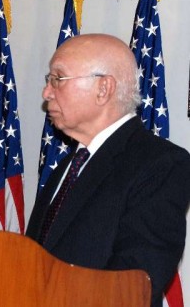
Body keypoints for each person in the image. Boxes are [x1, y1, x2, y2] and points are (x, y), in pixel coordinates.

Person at [26, 33, 190, 306]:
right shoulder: (68, 167)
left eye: (58, 79)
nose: (46, 92)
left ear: (104, 89)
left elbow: (134, 280)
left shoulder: (160, 164)